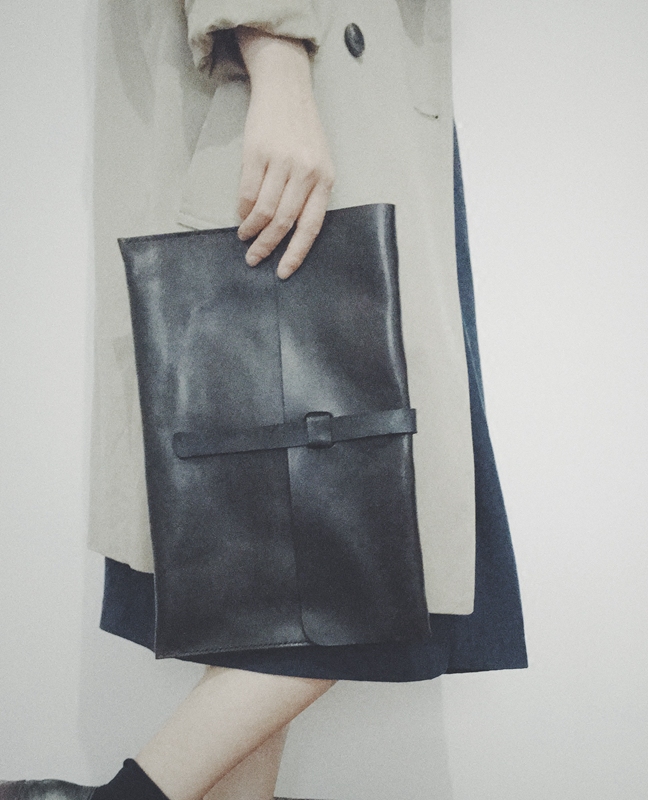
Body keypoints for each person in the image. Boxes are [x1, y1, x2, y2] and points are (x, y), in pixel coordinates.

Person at [0, 2, 527, 799]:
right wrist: (276, 60)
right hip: (293, 90)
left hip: (344, 105)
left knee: (271, 585)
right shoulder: (282, 73)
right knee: (372, 568)